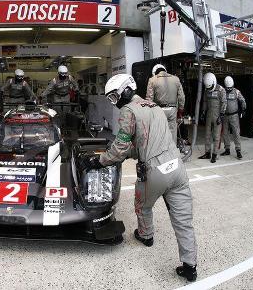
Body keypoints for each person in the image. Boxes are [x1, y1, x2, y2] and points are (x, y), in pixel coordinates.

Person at [82, 74, 198, 282]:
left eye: (114, 97)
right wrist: (127, 152)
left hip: (154, 171)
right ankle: (190, 265)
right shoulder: (154, 106)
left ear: (125, 91)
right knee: (183, 220)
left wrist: (100, 160)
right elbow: (147, 142)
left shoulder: (128, 111)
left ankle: (145, 236)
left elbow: (120, 148)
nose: (114, 103)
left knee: (142, 205)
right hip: (177, 168)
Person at [146, 64, 185, 143]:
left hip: (159, 111)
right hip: (172, 110)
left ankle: (161, 153)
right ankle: (172, 153)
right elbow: (181, 97)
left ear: (154, 72)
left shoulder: (152, 80)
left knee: (160, 133)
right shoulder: (176, 79)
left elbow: (149, 99)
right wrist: (180, 110)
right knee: (172, 133)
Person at [198, 72, 227, 163]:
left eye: (211, 87)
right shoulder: (207, 89)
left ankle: (215, 154)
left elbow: (224, 103)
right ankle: (207, 153)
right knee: (207, 135)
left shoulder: (221, 90)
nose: (209, 89)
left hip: (218, 115)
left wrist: (221, 115)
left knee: (216, 136)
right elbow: (205, 101)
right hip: (209, 114)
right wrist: (203, 111)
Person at [220, 76, 246, 159]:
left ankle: (238, 150)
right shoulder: (223, 91)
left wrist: (243, 109)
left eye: (230, 88)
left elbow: (242, 100)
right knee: (225, 133)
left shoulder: (236, 92)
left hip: (234, 115)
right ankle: (227, 149)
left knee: (236, 133)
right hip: (225, 116)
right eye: (227, 88)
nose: (229, 89)